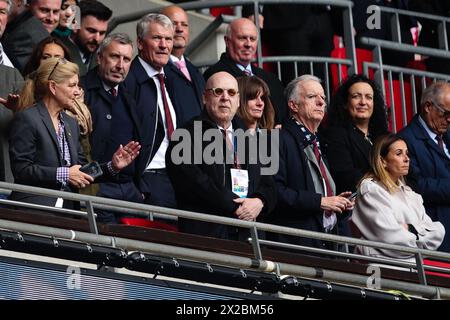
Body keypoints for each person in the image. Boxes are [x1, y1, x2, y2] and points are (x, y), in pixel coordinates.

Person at [8, 57, 140, 209]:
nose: (77, 91)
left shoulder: (71, 123)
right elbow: (21, 170)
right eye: (72, 85)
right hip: (33, 208)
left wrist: (113, 166)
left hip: (68, 210)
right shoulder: (28, 118)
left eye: (77, 85)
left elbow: (81, 170)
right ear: (53, 87)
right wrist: (64, 174)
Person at [166, 71, 276, 240]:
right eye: (218, 92)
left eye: (231, 93)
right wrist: (236, 205)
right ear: (205, 97)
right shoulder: (185, 134)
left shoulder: (248, 136)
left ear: (238, 101)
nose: (225, 98)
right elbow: (194, 182)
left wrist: (259, 201)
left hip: (249, 236)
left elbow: (269, 183)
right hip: (208, 236)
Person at [269, 75, 353, 250]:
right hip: (295, 247)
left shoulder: (317, 142)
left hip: (325, 244)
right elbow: (274, 192)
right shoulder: (276, 138)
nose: (321, 102)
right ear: (293, 105)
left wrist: (337, 204)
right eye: (311, 97)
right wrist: (320, 202)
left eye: (323, 98)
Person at [81, 33, 145, 223]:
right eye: (115, 57)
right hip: (97, 187)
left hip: (129, 190)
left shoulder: (129, 95)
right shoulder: (80, 90)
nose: (120, 65)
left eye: (126, 59)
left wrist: (139, 188)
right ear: (99, 58)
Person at [352, 134, 445, 261]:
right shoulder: (371, 189)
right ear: (383, 161)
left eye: (407, 153)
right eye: (399, 153)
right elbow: (393, 242)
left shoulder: (409, 193)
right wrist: (422, 238)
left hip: (414, 269)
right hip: (385, 271)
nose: (406, 159)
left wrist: (411, 230)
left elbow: (439, 232)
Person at [124, 13, 180, 209]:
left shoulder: (173, 78)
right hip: (148, 178)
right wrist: (136, 184)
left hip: (176, 176)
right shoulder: (128, 80)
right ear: (140, 43)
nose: (164, 45)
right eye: (157, 38)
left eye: (168, 39)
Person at [203, 18, 287, 126]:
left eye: (252, 39)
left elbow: (284, 115)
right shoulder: (215, 76)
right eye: (242, 38)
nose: (248, 44)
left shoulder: (271, 78)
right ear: (227, 41)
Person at [398, 82, 450, 252]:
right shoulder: (405, 139)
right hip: (436, 227)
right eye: (445, 113)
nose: (449, 119)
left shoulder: (447, 134)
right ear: (428, 106)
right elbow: (416, 185)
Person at [323, 74, 389, 194]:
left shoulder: (384, 136)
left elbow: (409, 174)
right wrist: (388, 173)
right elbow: (346, 178)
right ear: (345, 103)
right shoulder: (336, 136)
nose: (363, 102)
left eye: (369, 97)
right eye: (356, 97)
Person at [161, 5, 205, 125]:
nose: (180, 29)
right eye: (174, 24)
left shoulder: (195, 71)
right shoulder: (157, 70)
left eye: (184, 25)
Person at [58, 0, 112, 76]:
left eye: (102, 33)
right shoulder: (58, 52)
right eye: (91, 31)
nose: (97, 38)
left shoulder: (102, 55)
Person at [2, 0, 51, 73]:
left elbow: (13, 76)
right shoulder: (21, 25)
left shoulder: (26, 35)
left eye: (7, 1)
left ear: (18, 1)